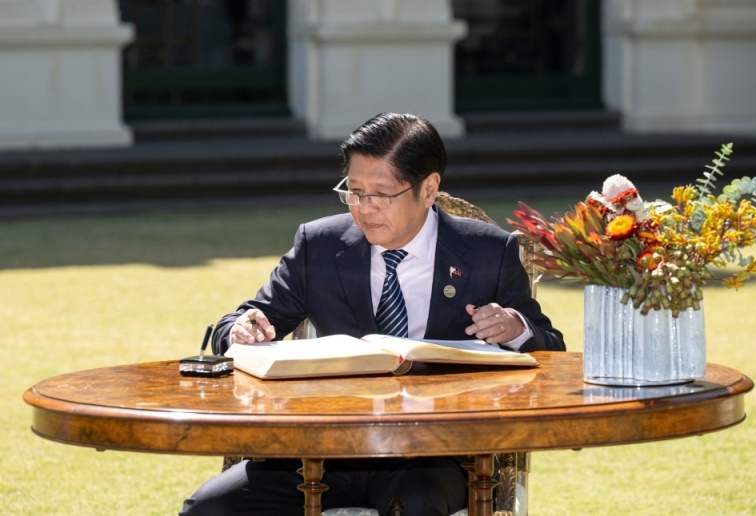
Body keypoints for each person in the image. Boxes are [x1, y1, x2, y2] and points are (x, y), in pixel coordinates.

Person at [181, 112, 565, 516]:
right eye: (354, 191)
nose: (365, 209)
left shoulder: (488, 251)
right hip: (321, 449)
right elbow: (246, 319)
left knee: (414, 505)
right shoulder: (320, 244)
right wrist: (240, 330)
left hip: (432, 454)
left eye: (381, 194)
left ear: (428, 189)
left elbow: (551, 349)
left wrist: (514, 327)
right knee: (208, 508)